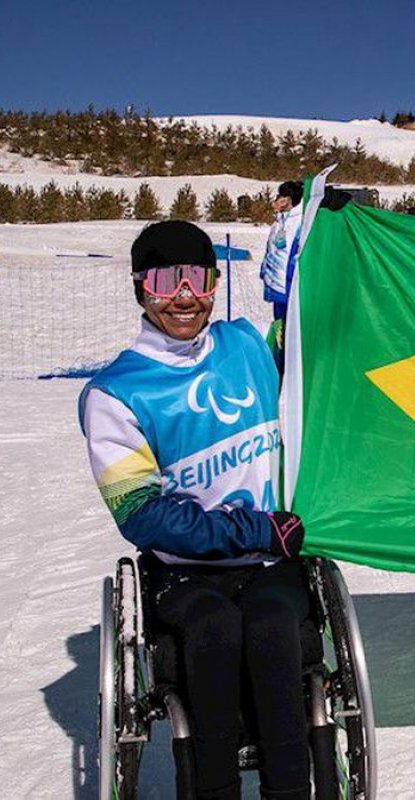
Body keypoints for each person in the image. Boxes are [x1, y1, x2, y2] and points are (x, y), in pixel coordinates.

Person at [80, 220, 311, 799]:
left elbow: (317, 327)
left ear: (214, 284)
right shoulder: (115, 393)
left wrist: (330, 233)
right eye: (165, 281)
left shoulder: (247, 345)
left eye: (197, 279)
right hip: (184, 572)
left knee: (272, 627)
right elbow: (142, 515)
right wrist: (252, 529)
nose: (183, 296)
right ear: (141, 288)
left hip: (266, 563)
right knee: (213, 628)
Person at [261, 180, 304, 321]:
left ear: (288, 200)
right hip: (276, 286)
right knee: (279, 326)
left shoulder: (301, 222)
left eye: (280, 196)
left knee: (291, 326)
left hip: (290, 289)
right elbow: (271, 249)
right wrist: (264, 271)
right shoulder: (279, 222)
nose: (276, 199)